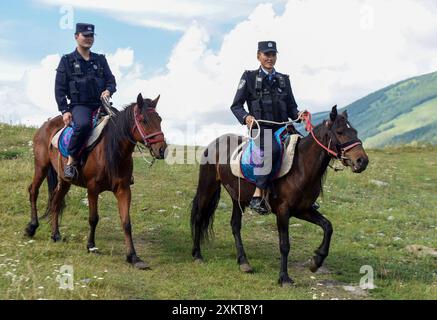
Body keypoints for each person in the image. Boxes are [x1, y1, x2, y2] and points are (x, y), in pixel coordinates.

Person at [230, 41, 306, 215]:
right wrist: (245, 117)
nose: (270, 58)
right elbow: (236, 106)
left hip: (282, 127)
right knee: (271, 150)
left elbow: (291, 107)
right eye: (266, 54)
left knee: (303, 148)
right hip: (259, 128)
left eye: (273, 55)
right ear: (258, 56)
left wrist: (299, 114)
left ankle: (302, 195)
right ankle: (258, 195)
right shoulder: (248, 77)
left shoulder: (284, 79)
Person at [55, 23, 116, 181]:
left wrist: (108, 90)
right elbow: (59, 88)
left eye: (91, 36)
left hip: (101, 104)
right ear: (76, 37)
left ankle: (120, 169)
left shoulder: (100, 60)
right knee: (83, 125)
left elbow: (111, 81)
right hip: (80, 105)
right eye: (85, 35)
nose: (89, 39)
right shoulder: (67, 61)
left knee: (122, 124)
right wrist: (64, 111)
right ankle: (71, 161)